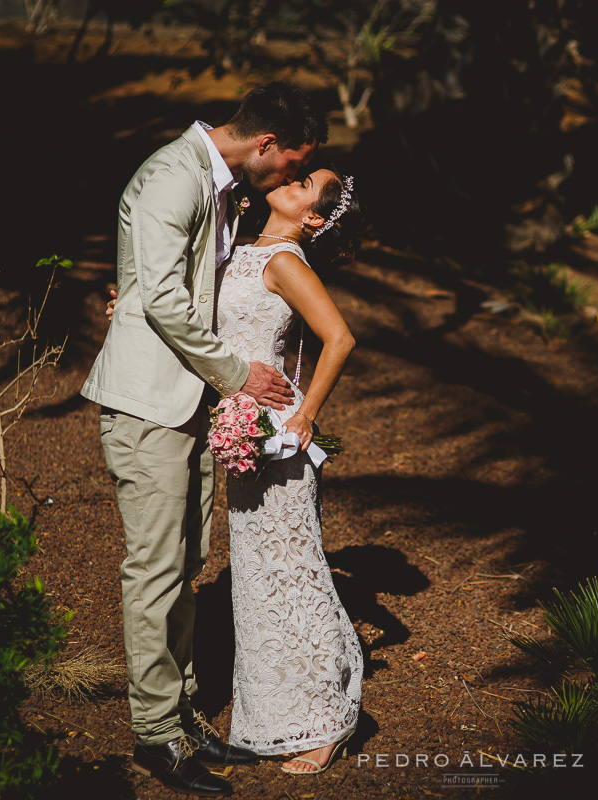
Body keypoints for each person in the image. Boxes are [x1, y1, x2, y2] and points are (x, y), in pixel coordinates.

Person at [81, 81, 328, 798]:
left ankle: (184, 713)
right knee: (157, 569)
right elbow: (160, 297)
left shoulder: (220, 188)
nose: (288, 180)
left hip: (188, 402)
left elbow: (169, 284)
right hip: (150, 404)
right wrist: (237, 374)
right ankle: (156, 733)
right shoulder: (172, 176)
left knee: (185, 562)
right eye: (289, 166)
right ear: (266, 144)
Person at [217, 169, 363, 776]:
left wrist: (306, 414)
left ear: (314, 219)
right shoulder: (241, 248)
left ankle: (325, 721)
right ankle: (273, 716)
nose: (294, 180)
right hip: (238, 433)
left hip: (275, 438)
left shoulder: (285, 260)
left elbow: (340, 337)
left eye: (308, 184)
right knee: (256, 580)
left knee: (294, 574)